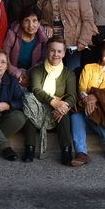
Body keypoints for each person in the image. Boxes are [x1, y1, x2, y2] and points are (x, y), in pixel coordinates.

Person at [23, 36, 76, 165]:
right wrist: (54, 102)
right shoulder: (37, 70)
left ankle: (66, 151)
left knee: (64, 115)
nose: (55, 54)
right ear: (47, 51)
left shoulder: (69, 73)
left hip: (58, 107)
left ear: (64, 53)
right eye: (52, 50)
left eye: (59, 51)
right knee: (30, 112)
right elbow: (36, 90)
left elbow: (72, 95)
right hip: (39, 105)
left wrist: (63, 106)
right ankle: (29, 149)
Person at [37, 0, 95, 70]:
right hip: (52, 43)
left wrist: (83, 40)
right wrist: (46, 24)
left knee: (72, 74)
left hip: (73, 43)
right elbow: (38, 16)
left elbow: (88, 18)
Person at [2, 5, 48, 88]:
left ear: (39, 23)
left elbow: (44, 60)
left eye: (34, 21)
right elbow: (4, 59)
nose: (31, 25)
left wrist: (29, 73)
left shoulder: (43, 37)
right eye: (27, 21)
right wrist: (18, 74)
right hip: (13, 71)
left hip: (34, 72)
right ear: (22, 23)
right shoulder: (12, 34)